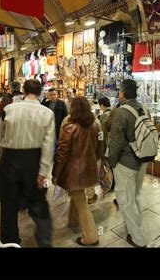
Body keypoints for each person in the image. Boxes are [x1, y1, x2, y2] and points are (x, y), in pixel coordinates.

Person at [0, 80, 55, 247]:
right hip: (33, 161)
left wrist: (1, 158)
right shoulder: (47, 113)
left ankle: (10, 242)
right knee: (38, 202)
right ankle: (44, 241)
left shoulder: (8, 109)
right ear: (40, 92)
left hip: (9, 159)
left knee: (8, 204)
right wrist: (43, 172)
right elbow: (48, 145)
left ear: (23, 90)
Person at [52, 97, 104, 246]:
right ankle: (73, 221)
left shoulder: (69, 127)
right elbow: (100, 146)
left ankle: (91, 237)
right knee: (78, 195)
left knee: (81, 202)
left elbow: (62, 154)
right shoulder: (95, 126)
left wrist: (56, 174)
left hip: (74, 172)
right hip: (89, 169)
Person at [107, 79, 149, 248]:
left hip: (126, 162)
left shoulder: (121, 112)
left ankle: (138, 239)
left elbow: (116, 141)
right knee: (135, 195)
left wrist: (111, 161)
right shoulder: (143, 108)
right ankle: (135, 224)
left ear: (122, 93)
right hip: (143, 160)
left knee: (126, 199)